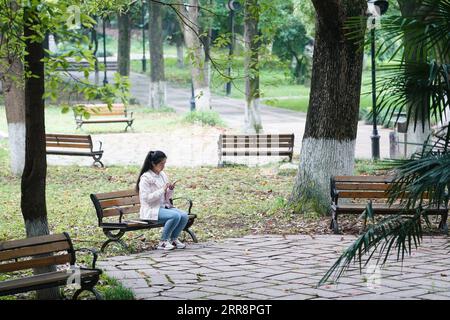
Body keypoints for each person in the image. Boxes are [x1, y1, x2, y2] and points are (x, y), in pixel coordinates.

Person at [136, 151, 189, 250]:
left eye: (164, 163)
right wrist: (162, 190)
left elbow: (166, 197)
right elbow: (146, 199)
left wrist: (170, 189)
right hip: (151, 209)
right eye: (161, 164)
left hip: (163, 207)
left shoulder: (162, 175)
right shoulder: (145, 178)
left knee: (184, 216)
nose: (163, 166)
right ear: (153, 163)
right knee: (175, 216)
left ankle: (173, 239)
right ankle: (163, 241)